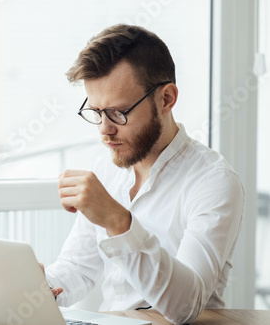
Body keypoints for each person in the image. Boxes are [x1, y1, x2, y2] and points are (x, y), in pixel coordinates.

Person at [44, 24, 244, 325]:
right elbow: (77, 269)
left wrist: (118, 222)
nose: (104, 129)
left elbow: (185, 306)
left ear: (166, 99)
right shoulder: (105, 170)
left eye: (118, 112)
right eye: (96, 112)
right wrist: (36, 287)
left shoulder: (214, 181)